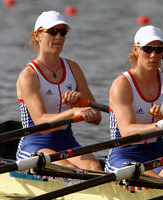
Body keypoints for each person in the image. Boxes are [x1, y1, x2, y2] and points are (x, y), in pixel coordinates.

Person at [16, 11, 102, 171]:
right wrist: (73, 112)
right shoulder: (29, 75)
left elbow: (97, 118)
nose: (59, 37)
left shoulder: (73, 69)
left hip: (66, 141)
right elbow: (41, 122)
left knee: (93, 166)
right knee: (66, 168)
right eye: (53, 32)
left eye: (63, 32)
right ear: (37, 35)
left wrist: (82, 104)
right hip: (34, 144)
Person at [105, 25, 163, 181]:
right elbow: (127, 131)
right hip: (123, 155)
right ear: (136, 49)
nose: (153, 55)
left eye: (159, 49)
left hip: (157, 154)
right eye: (147, 49)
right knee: (153, 180)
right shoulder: (122, 84)